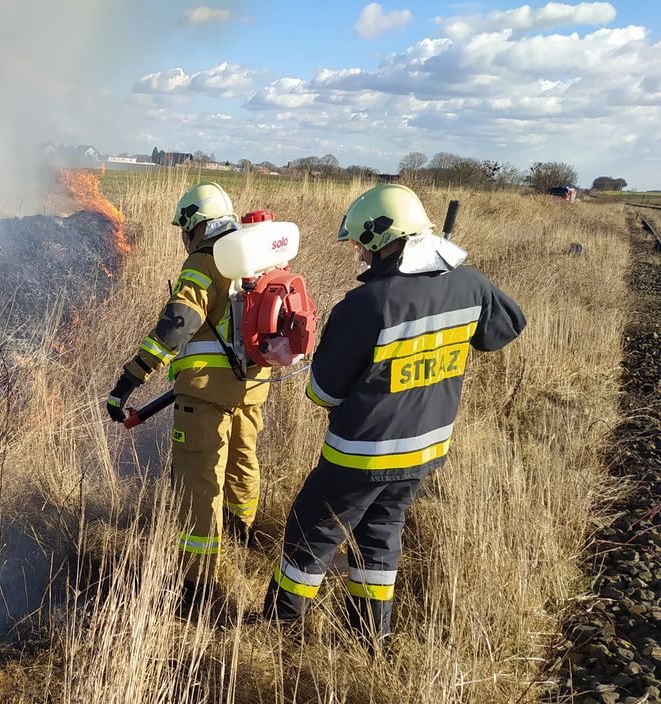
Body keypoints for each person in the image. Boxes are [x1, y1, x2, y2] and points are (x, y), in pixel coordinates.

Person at [262, 184, 526, 639]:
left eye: (364, 244)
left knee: (312, 534)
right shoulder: (470, 283)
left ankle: (278, 629)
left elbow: (323, 393)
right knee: (380, 539)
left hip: (361, 454)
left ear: (385, 239)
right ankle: (368, 638)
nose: (361, 255)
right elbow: (505, 327)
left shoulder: (366, 304)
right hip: (424, 451)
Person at [105, 181, 270, 600]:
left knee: (198, 484)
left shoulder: (205, 259)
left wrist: (130, 378)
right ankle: (241, 535)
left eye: (184, 228)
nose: (183, 237)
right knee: (241, 462)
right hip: (251, 387)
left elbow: (176, 328)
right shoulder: (255, 254)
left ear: (195, 225)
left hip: (204, 394)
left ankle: (198, 584)